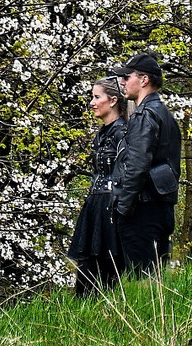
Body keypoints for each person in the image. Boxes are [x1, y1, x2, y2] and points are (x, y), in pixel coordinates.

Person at [109, 52, 182, 275]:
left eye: (127, 76)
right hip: (162, 207)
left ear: (143, 80)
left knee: (142, 281)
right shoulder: (165, 115)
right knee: (158, 280)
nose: (122, 82)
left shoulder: (144, 115)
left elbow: (137, 165)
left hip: (142, 208)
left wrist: (123, 207)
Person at [67, 74, 129, 296]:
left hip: (112, 210)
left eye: (96, 97)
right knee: (86, 278)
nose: (91, 103)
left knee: (106, 276)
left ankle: (109, 319)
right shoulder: (102, 134)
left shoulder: (124, 133)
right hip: (96, 207)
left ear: (112, 100)